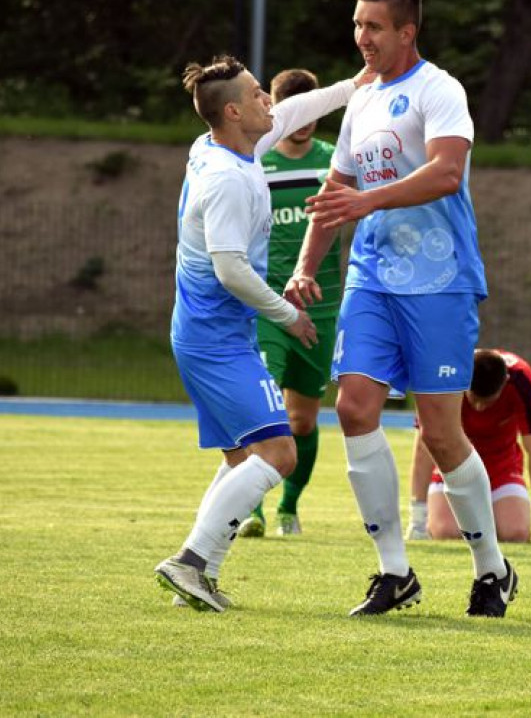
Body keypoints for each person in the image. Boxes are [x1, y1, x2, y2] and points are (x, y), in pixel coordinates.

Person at [286, 0, 518, 618]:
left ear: (407, 31)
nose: (362, 37)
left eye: (375, 26)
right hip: (372, 278)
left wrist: (369, 200)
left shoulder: (440, 89)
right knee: (354, 407)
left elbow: (446, 173)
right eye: (357, 24)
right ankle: (394, 571)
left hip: (439, 282)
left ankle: (492, 568)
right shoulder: (361, 99)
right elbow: (336, 194)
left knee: (441, 432)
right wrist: (305, 266)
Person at [154, 55, 372, 612]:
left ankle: (199, 576)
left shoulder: (225, 145)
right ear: (233, 111)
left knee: (240, 460)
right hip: (216, 341)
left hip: (209, 334)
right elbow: (229, 268)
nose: (269, 101)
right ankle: (189, 563)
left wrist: (355, 85)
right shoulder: (227, 179)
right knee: (279, 452)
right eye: (257, 94)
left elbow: (297, 108)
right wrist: (287, 315)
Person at [235, 68, 342, 539]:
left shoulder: (334, 160)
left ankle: (288, 508)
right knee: (262, 408)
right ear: (275, 109)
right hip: (267, 303)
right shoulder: (256, 161)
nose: (305, 120)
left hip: (322, 304)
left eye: (312, 109)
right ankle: (251, 510)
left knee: (302, 419)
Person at [406, 348, 531, 544]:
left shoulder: (521, 381)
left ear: (505, 383)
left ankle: (495, 514)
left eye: (487, 402)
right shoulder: (444, 379)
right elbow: (423, 448)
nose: (479, 408)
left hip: (501, 468)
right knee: (446, 531)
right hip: (452, 467)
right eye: (474, 399)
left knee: (515, 533)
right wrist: (418, 519)